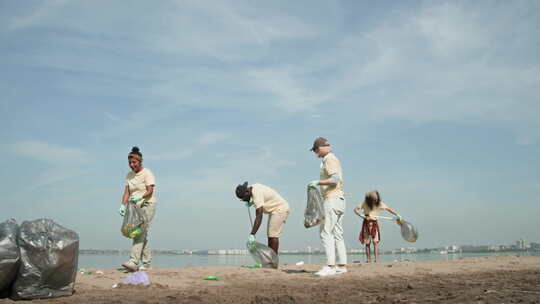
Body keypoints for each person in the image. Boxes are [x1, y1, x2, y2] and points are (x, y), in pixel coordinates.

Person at [308, 137, 347, 276]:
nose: (316, 153)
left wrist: (318, 183)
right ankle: (342, 266)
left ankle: (330, 266)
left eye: (316, 150)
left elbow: (335, 179)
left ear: (321, 148)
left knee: (325, 232)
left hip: (332, 199)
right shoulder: (332, 158)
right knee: (337, 233)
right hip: (340, 200)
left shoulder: (329, 158)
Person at [118, 146, 157, 272]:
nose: (131, 164)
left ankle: (133, 261)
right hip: (134, 207)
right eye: (129, 162)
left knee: (139, 231)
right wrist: (123, 205)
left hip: (147, 204)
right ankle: (146, 264)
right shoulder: (129, 176)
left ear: (140, 162)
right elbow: (127, 192)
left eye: (134, 162)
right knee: (142, 234)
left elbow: (150, 191)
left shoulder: (147, 173)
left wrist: (140, 196)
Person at [235, 182, 290, 255]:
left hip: (280, 209)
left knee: (273, 235)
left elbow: (259, 216)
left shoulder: (256, 194)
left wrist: (252, 234)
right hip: (274, 210)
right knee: (270, 235)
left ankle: (273, 261)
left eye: (243, 198)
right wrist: (251, 202)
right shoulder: (252, 189)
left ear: (247, 192)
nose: (244, 200)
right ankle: (270, 259)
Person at [354, 190, 401, 263]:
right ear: (369, 199)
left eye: (376, 200)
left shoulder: (380, 204)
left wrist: (397, 215)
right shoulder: (365, 203)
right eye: (373, 200)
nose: (375, 201)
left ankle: (376, 259)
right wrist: (359, 214)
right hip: (366, 223)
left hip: (374, 224)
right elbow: (356, 209)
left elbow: (389, 209)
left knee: (375, 242)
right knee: (367, 243)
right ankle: (368, 259)